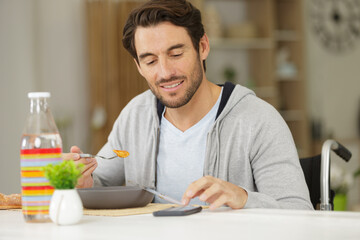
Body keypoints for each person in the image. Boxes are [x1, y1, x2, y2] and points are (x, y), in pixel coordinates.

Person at [64, 0, 313, 210]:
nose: (165, 72)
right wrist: (84, 182)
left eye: (176, 54)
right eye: (150, 61)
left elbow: (300, 213)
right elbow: (101, 181)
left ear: (202, 47)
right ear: (139, 67)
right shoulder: (136, 115)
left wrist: (243, 198)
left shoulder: (258, 120)